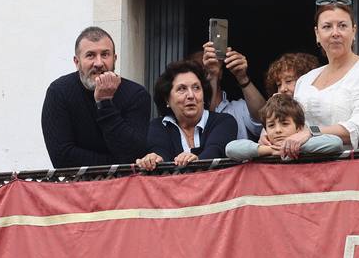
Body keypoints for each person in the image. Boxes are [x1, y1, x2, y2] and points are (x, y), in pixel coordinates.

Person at [277, 0, 359, 158]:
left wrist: (312, 132)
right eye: (327, 27)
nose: (335, 33)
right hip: (303, 170)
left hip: (350, 171)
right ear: (317, 34)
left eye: (342, 26)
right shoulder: (305, 80)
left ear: (354, 31)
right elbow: (294, 126)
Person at [41, 26, 150, 168]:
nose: (99, 63)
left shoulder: (136, 95)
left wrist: (104, 103)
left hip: (125, 186)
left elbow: (133, 154)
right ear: (77, 62)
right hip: (77, 186)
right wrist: (116, 163)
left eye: (105, 54)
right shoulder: (59, 92)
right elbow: (62, 158)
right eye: (90, 55)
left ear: (115, 59)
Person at [136, 60, 238, 170]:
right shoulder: (158, 126)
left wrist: (196, 160)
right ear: (167, 99)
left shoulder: (224, 121)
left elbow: (214, 150)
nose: (191, 95)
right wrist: (154, 159)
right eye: (182, 89)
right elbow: (160, 152)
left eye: (196, 88)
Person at [225, 94, 344, 161]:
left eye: (285, 124)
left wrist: (292, 147)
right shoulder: (266, 147)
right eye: (271, 125)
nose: (277, 130)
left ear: (299, 128)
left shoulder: (305, 143)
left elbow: (336, 143)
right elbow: (230, 149)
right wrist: (270, 150)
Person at [201, 40, 265, 139]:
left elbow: (265, 120)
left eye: (205, 70)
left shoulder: (239, 108)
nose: (200, 75)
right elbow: (205, 123)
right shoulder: (188, 114)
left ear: (221, 73)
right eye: (203, 69)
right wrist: (213, 75)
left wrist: (242, 77)